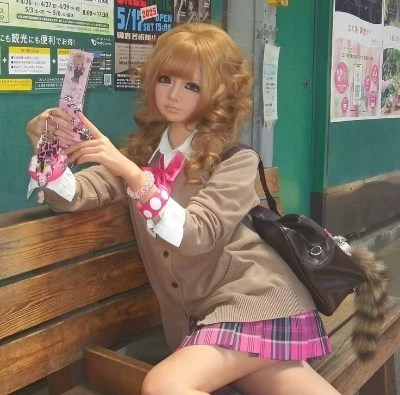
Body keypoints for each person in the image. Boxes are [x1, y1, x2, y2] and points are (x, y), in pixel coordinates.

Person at [26, 23, 341, 395]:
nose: (173, 95)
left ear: (218, 93)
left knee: (164, 385)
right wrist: (47, 147)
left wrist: (132, 174)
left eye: (192, 85)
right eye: (165, 79)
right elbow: (75, 195)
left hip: (256, 301)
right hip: (210, 322)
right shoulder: (142, 156)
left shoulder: (234, 160)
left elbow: (196, 234)